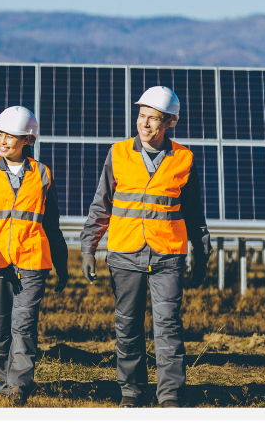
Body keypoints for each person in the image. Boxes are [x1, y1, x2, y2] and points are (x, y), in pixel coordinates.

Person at [79, 86, 212, 409]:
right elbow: (102, 205)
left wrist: (203, 253)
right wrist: (88, 247)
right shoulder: (119, 153)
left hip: (168, 255)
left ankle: (170, 397)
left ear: (170, 122)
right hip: (125, 253)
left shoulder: (184, 158)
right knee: (127, 326)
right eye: (141, 116)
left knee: (168, 326)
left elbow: (194, 212)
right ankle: (132, 393)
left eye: (154, 119)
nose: (145, 124)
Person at [0, 105, 68, 403]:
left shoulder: (42, 174)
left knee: (24, 325)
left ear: (27, 140)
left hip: (32, 262)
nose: (2, 140)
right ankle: (5, 382)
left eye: (10, 135)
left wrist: (61, 262)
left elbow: (51, 222)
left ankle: (18, 388)